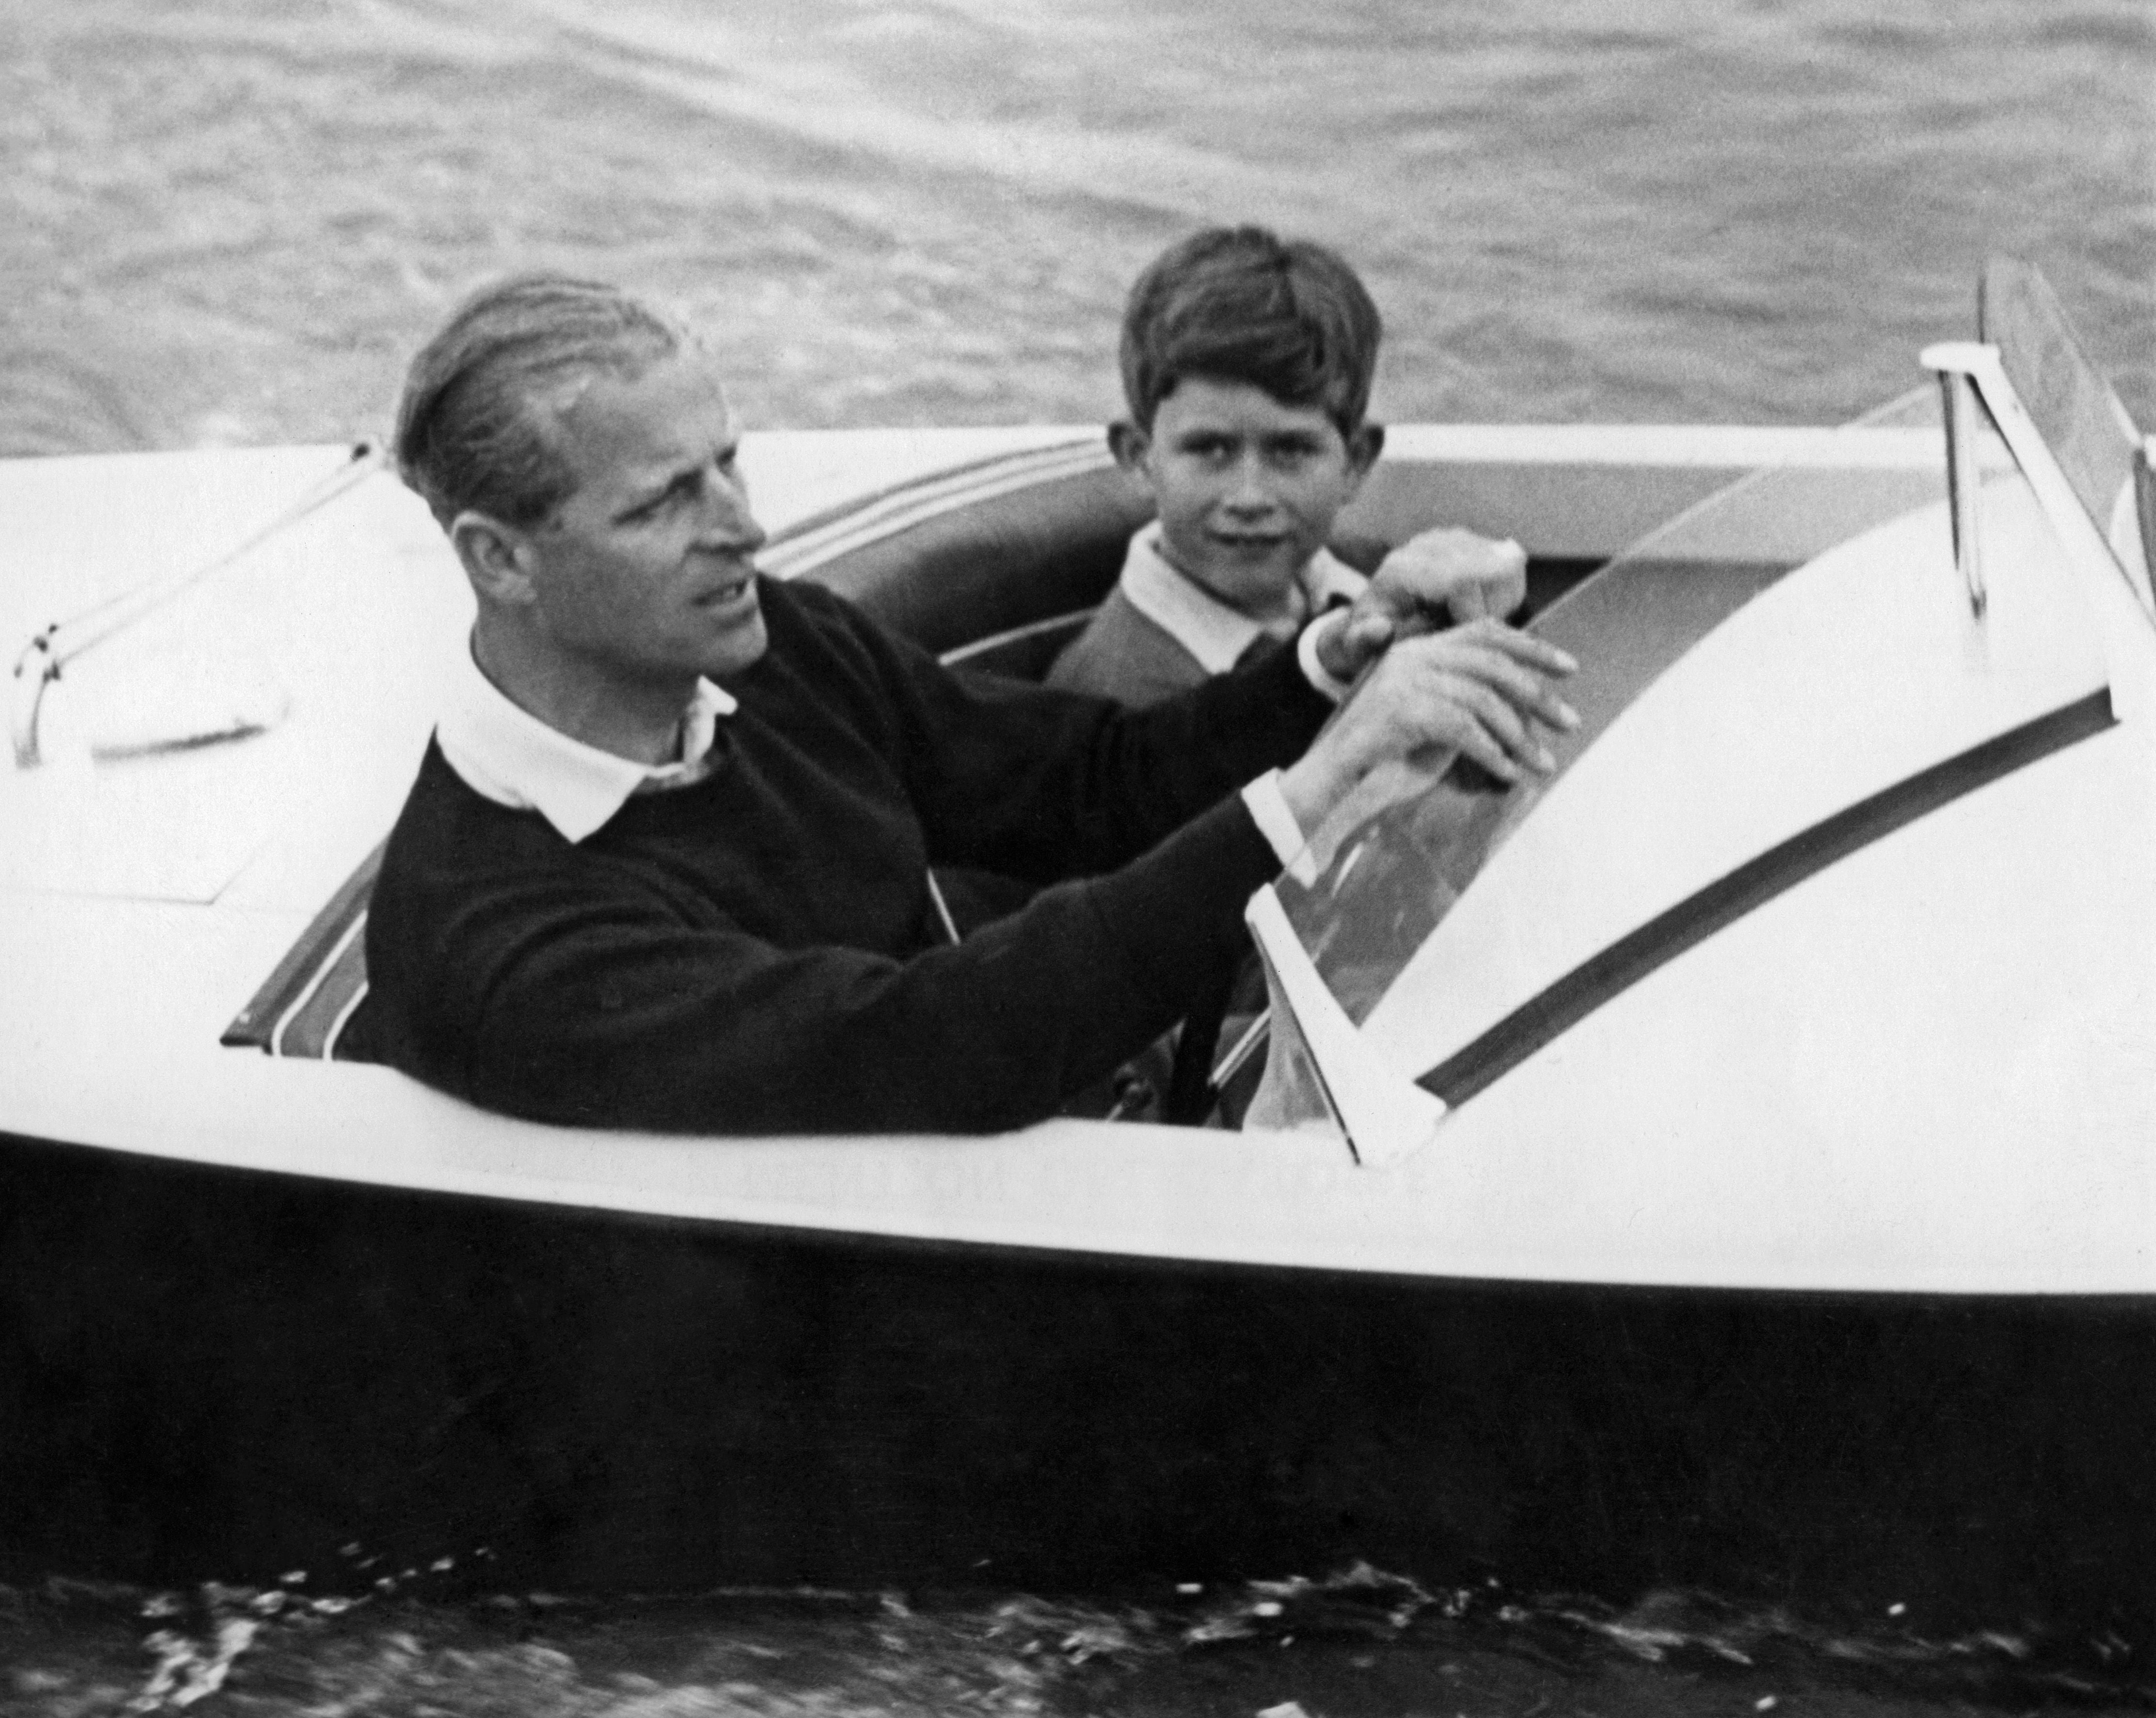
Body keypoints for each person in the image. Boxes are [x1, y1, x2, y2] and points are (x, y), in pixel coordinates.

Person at [360, 273, 1576, 1135]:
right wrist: (1320, 786)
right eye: (662, 502)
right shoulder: (503, 945)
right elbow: (931, 1044)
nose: (743, 525)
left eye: (728, 462)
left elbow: (1089, 783)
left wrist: (1334, 654)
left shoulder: (768, 643)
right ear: (501, 559)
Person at [1048, 224, 1527, 708]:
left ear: (1355, 462)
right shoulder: (1111, 700)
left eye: (1290, 451)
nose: (1250, 497)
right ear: (1139, 457)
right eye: (1211, 449)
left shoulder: (1368, 575)